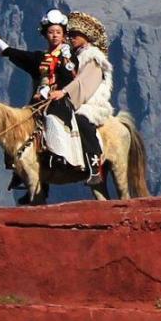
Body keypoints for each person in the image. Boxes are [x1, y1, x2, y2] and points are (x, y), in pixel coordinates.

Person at [0, 9, 74, 194]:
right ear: (45, 34)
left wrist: (66, 68)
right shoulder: (38, 58)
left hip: (59, 102)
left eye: (58, 32)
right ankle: (18, 168)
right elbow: (11, 52)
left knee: (52, 121)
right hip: (37, 103)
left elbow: (74, 78)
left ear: (63, 35)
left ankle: (59, 158)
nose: (54, 36)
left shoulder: (69, 58)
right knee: (17, 126)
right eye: (51, 32)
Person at [58, 12, 115, 189]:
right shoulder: (73, 57)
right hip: (73, 100)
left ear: (86, 36)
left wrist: (64, 93)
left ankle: (94, 163)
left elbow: (83, 84)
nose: (71, 38)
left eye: (75, 34)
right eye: (70, 34)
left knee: (81, 119)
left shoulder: (93, 58)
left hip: (91, 104)